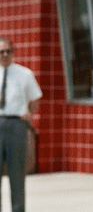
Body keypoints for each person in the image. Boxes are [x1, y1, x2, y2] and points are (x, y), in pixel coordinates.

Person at [0, 37, 42, 212]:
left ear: (13, 53)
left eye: (8, 51)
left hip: (16, 125)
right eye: (1, 52)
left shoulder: (24, 73)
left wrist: (30, 114)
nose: (5, 55)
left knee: (17, 174)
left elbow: (35, 97)